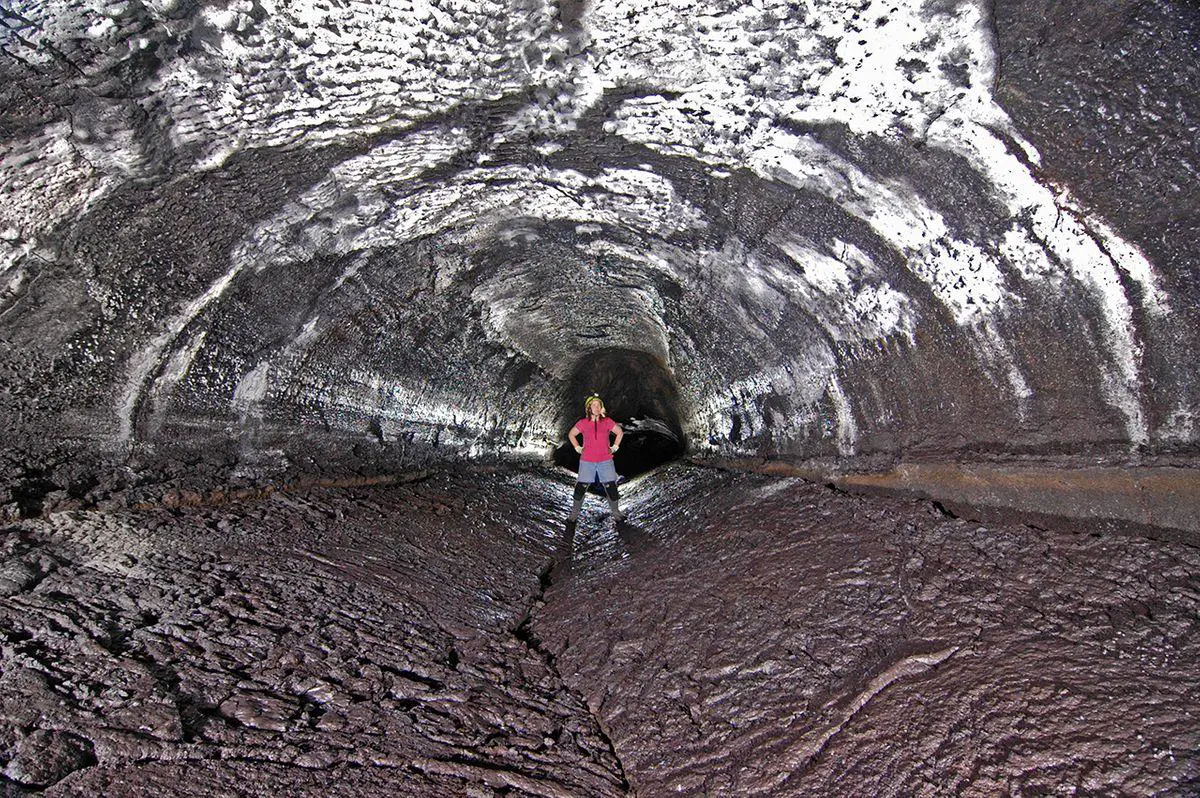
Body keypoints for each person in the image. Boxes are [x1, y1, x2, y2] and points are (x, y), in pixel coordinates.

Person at [567, 394, 625, 524]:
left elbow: (619, 432)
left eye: (599, 405)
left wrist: (615, 446)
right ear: (589, 408)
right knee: (581, 487)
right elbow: (571, 434)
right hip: (587, 461)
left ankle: (616, 513)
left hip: (606, 460)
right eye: (594, 405)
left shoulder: (607, 421)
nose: (597, 407)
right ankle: (574, 515)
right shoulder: (583, 423)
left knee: (611, 487)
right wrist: (577, 447)